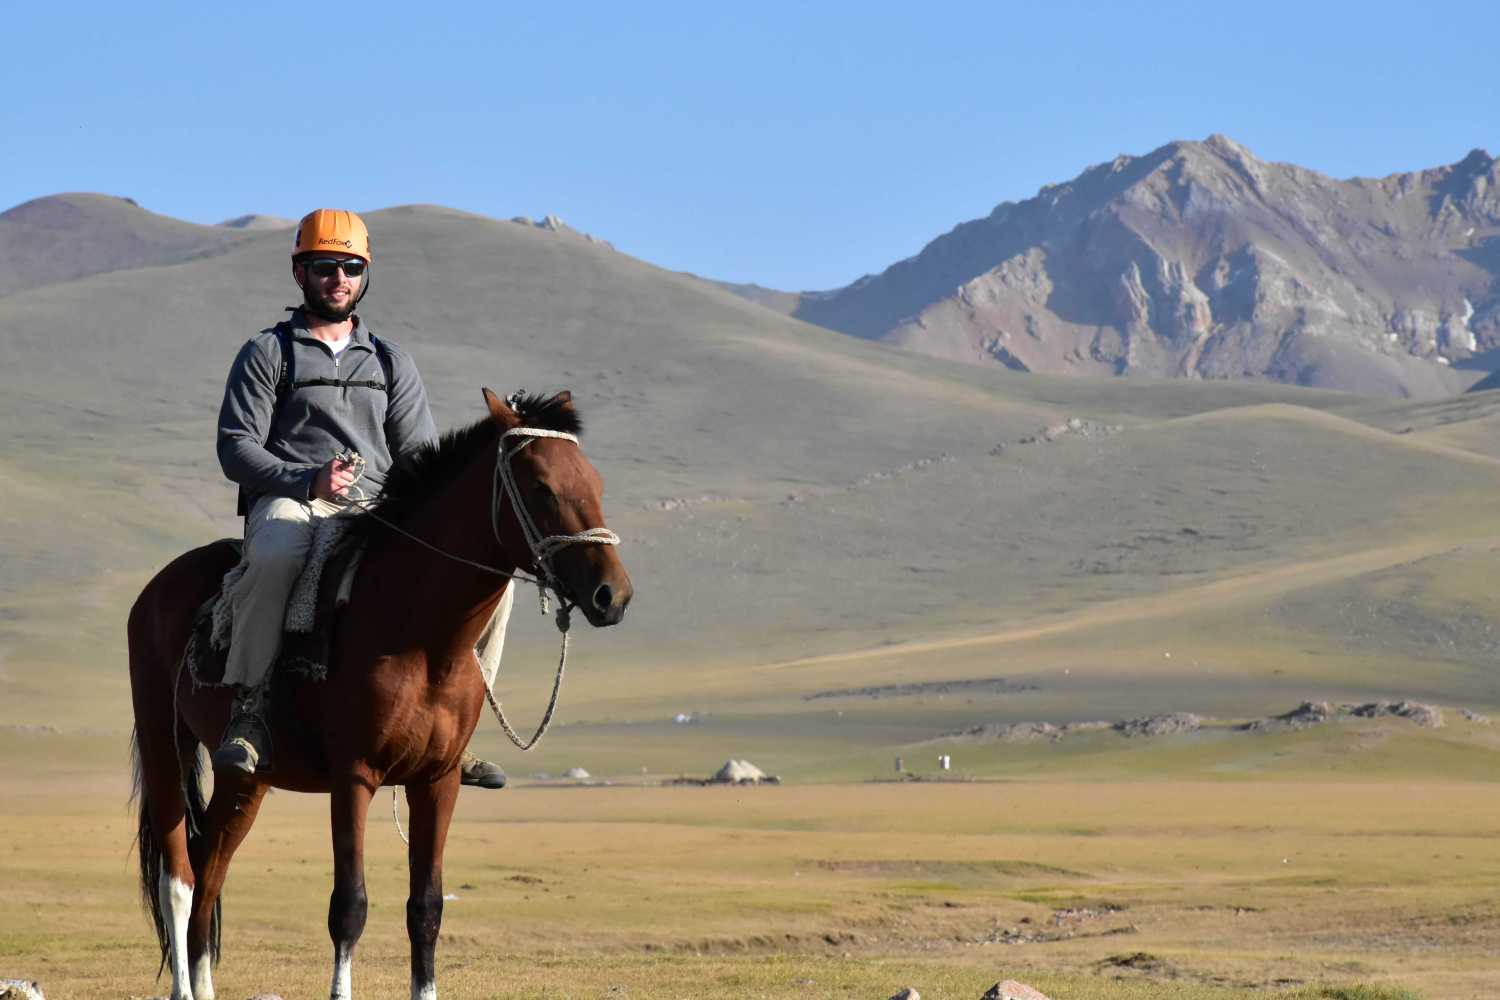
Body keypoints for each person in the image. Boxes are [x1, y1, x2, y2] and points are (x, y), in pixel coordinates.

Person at [213, 208, 508, 789]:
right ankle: (249, 712)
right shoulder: (267, 353)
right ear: (300, 272)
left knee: (489, 580)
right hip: (292, 501)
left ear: (363, 274)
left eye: (351, 267)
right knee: (273, 557)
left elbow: (419, 457)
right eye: (325, 267)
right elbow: (235, 446)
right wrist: (306, 480)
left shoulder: (391, 361)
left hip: (375, 509)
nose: (338, 279)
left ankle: (456, 727)